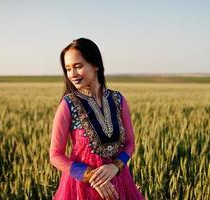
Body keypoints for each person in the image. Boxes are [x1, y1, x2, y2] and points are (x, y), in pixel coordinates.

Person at [49, 38, 144, 200]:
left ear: (96, 65)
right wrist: (93, 178)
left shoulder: (118, 100)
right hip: (82, 188)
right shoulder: (68, 104)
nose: (72, 74)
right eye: (68, 69)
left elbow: (130, 143)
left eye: (78, 66)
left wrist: (115, 166)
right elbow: (55, 155)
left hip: (119, 184)